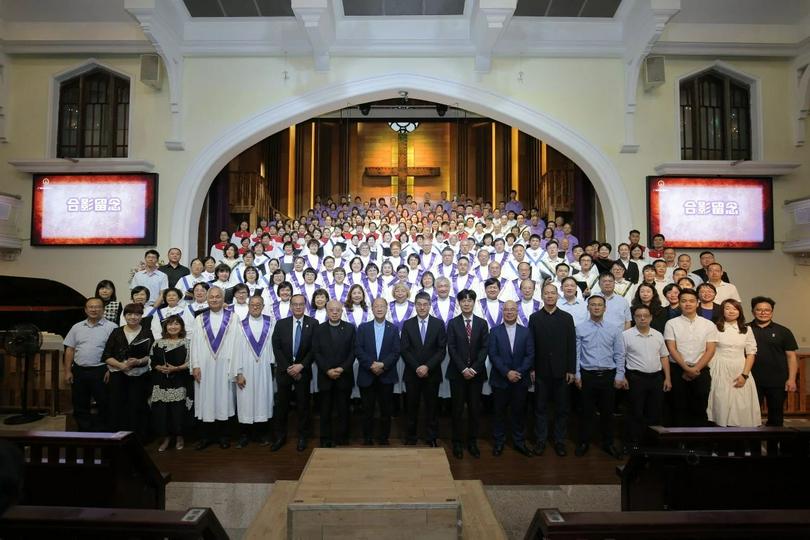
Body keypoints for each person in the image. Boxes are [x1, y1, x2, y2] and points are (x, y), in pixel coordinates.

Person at [574, 294, 626, 459]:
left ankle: (608, 443)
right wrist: (577, 374)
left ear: (605, 308)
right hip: (587, 375)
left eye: (599, 305)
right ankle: (583, 443)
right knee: (586, 412)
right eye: (593, 305)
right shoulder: (580, 328)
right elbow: (576, 354)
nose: (596, 307)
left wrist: (620, 374)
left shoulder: (614, 329)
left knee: (607, 412)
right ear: (588, 308)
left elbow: (619, 354)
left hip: (608, 376)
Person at [529, 283, 576, 457]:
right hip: (540, 371)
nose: (549, 296)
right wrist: (532, 368)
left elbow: (571, 345)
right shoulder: (534, 318)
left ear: (558, 296)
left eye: (552, 293)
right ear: (542, 296)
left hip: (562, 371)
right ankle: (540, 440)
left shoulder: (566, 317)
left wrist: (571, 369)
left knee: (562, 408)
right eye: (546, 293)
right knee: (540, 408)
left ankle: (559, 441)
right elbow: (531, 345)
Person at [190, 286, 237, 450]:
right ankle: (205, 437)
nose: (215, 299)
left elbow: (237, 345)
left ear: (223, 299)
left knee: (223, 399)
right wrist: (195, 365)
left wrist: (235, 367)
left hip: (225, 367)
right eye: (212, 297)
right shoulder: (199, 319)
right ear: (207, 299)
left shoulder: (233, 318)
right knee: (206, 400)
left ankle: (223, 436)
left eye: (218, 297)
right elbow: (194, 345)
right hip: (204, 367)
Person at [663, 288, 718, 427]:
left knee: (700, 407)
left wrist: (695, 369)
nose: (688, 304)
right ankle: (680, 445)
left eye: (692, 301)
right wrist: (686, 368)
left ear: (698, 303)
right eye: (684, 301)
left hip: (701, 370)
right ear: (679, 303)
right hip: (678, 370)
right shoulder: (671, 323)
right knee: (678, 407)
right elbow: (671, 348)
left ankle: (699, 445)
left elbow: (710, 349)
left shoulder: (708, 324)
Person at [400, 291, 448, 446]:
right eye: (419, 305)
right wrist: (417, 367)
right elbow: (404, 349)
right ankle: (411, 437)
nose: (422, 308)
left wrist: (427, 366)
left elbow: (441, 350)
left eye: (425, 305)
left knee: (432, 408)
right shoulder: (407, 324)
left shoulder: (438, 324)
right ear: (415, 306)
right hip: (412, 373)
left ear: (429, 305)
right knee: (411, 407)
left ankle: (431, 437)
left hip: (432, 373)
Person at [271, 294, 318, 452]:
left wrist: (301, 366)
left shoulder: (313, 323)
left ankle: (303, 437)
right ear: (290, 306)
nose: (298, 307)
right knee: (281, 406)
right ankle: (280, 436)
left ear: (305, 306)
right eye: (295, 304)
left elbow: (314, 349)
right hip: (285, 372)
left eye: (301, 304)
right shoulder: (281, 324)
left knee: (303, 406)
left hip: (302, 372)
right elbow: (276, 347)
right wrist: (288, 368)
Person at [446, 289, 489, 459]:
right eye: (463, 300)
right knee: (457, 410)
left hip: (476, 374)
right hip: (458, 374)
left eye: (470, 300)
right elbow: (452, 348)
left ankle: (472, 442)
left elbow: (485, 348)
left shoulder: (482, 323)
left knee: (474, 410)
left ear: (474, 302)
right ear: (459, 303)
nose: (466, 303)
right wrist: (463, 368)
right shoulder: (453, 323)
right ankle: (456, 443)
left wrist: (474, 368)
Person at [63, 297, 117, 431]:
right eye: (91, 307)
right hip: (79, 371)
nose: (94, 309)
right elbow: (70, 349)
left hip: (101, 370)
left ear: (103, 310)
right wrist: (67, 371)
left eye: (97, 307)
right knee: (80, 403)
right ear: (86, 310)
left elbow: (116, 351)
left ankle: (103, 432)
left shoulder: (112, 327)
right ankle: (84, 431)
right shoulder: (77, 327)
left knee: (104, 403)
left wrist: (110, 369)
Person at [488, 300, 534, 457]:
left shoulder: (526, 332)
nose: (509, 312)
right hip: (500, 379)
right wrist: (507, 372)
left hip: (520, 380)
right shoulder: (494, 331)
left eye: (512, 310)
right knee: (499, 413)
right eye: (506, 310)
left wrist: (518, 372)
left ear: (517, 311)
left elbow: (530, 355)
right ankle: (499, 443)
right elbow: (493, 355)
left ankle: (519, 443)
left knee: (519, 413)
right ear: (502, 311)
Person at [103, 302, 154, 440]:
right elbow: (106, 355)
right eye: (129, 314)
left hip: (139, 376)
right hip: (118, 376)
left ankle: (138, 438)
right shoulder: (116, 332)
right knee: (117, 406)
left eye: (137, 314)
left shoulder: (147, 332)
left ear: (141, 316)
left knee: (137, 406)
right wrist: (121, 365)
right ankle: (118, 438)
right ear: (124, 316)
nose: (133, 317)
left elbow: (152, 355)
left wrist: (138, 361)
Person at [622, 305, 671, 449]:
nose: (642, 318)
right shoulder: (626, 335)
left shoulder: (658, 334)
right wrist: (622, 376)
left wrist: (667, 378)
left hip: (656, 378)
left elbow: (664, 357)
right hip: (635, 378)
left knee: (655, 412)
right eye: (638, 316)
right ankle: (634, 443)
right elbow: (621, 357)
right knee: (635, 411)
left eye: (645, 315)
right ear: (634, 318)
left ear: (651, 317)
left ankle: (652, 444)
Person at [707, 299, 760, 427]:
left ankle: (741, 442)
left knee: (741, 406)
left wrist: (745, 375)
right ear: (722, 311)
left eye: (735, 308)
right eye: (728, 308)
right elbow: (709, 349)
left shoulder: (747, 329)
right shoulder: (714, 328)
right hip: (719, 367)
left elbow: (751, 353)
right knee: (720, 403)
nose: (731, 311)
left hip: (740, 367)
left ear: (739, 312)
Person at [231, 295, 275, 448]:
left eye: (258, 305)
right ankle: (244, 435)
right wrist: (238, 373)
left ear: (263, 306)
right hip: (246, 369)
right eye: (252, 304)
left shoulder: (271, 323)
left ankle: (261, 434)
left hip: (264, 368)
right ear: (248, 306)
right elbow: (234, 350)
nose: (255, 307)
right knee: (245, 402)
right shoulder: (240, 325)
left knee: (263, 400)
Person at [356, 297, 401, 445]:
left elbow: (396, 352)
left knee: (385, 410)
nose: (379, 309)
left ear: (387, 308)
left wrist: (382, 365)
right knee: (367, 410)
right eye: (376, 306)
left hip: (386, 374)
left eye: (382, 306)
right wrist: (371, 365)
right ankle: (367, 438)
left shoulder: (393, 328)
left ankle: (384, 438)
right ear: (372, 309)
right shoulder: (363, 328)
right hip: (367, 374)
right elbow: (358, 349)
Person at [749, 296, 799, 427]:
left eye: (767, 310)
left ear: (772, 312)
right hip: (751, 381)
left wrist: (792, 379)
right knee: (750, 417)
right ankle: (754, 448)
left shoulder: (784, 331)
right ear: (753, 311)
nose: (763, 312)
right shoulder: (745, 329)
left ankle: (772, 447)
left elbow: (791, 357)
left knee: (776, 418)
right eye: (759, 310)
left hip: (777, 381)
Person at [313, 300, 357, 447]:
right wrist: (327, 370)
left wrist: (341, 369)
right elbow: (316, 352)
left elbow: (353, 352)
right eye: (331, 310)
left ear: (342, 311)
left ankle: (343, 438)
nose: (334, 312)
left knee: (343, 410)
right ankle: (325, 439)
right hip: (325, 376)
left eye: (337, 310)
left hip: (343, 376)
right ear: (327, 311)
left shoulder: (350, 328)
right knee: (325, 411)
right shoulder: (319, 329)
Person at [149, 315, 192, 452]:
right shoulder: (157, 342)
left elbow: (191, 361)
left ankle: (180, 437)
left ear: (181, 327)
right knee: (161, 412)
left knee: (178, 411)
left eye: (176, 324)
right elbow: (152, 361)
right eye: (170, 324)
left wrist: (177, 368)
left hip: (180, 380)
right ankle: (166, 438)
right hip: (160, 381)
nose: (173, 327)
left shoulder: (187, 342)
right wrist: (158, 367)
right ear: (165, 327)